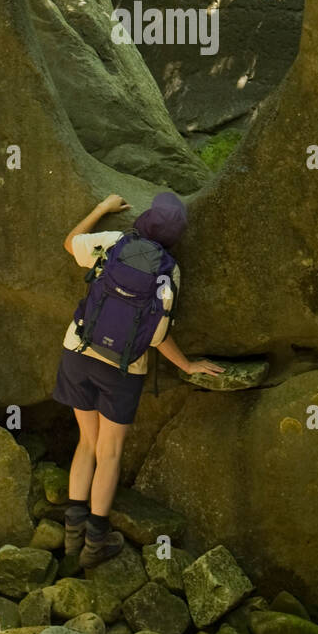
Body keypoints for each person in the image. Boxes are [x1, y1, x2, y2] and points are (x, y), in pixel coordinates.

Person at [52, 191, 224, 569]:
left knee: (86, 443)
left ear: (145, 219)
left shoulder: (116, 242)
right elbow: (157, 336)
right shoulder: (169, 272)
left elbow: (69, 243)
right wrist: (188, 364)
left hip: (79, 351)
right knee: (109, 453)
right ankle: (95, 545)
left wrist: (101, 209)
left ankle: (69, 541)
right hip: (123, 368)